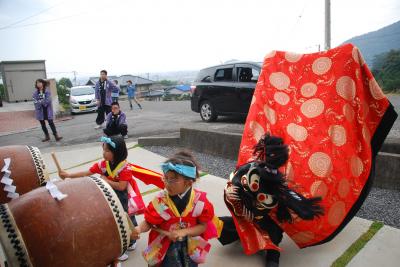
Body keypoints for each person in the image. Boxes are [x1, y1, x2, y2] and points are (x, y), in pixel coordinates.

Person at [132, 151, 221, 267]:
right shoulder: (161, 201)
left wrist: (183, 231)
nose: (167, 184)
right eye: (166, 178)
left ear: (188, 183)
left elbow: (203, 226)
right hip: (164, 247)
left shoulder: (200, 202)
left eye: (173, 180)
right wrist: (138, 229)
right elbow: (149, 222)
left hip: (190, 247)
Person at [59, 136, 139, 262]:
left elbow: (121, 186)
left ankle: (131, 240)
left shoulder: (125, 168)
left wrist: (105, 180)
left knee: (127, 218)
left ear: (117, 152)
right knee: (113, 220)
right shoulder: (103, 165)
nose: (104, 153)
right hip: (108, 196)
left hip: (123, 197)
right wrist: (69, 175)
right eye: (103, 150)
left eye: (107, 151)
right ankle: (119, 244)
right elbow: (87, 172)